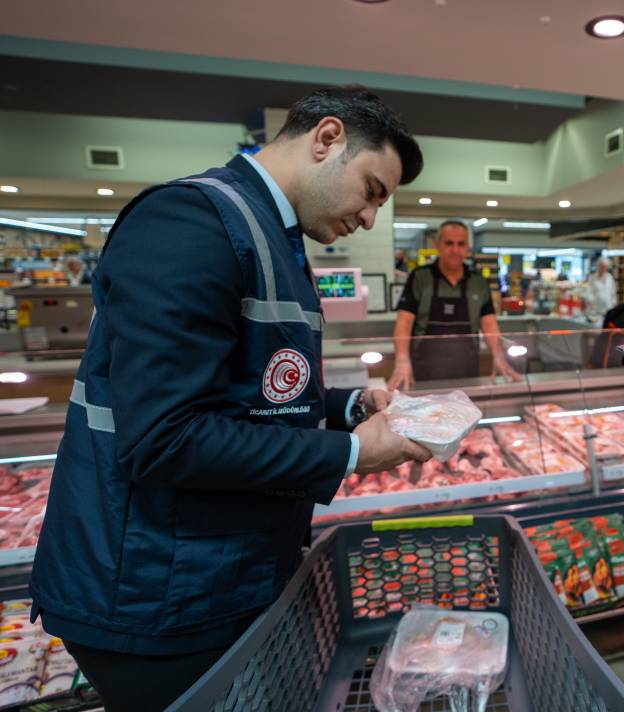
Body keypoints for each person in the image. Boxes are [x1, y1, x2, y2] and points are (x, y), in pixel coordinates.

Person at [29, 85, 433, 712]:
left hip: (211, 577)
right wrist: (352, 453)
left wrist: (350, 406)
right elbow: (166, 438)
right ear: (326, 139)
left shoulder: (273, 235)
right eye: (373, 190)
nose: (371, 216)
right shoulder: (191, 222)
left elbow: (252, 391)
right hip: (154, 595)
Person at [388, 220, 521, 388]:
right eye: (449, 243)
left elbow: (489, 324)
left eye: (461, 244)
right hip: (424, 369)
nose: (455, 250)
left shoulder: (478, 282)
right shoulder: (420, 277)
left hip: (467, 370)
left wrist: (499, 356)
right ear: (438, 245)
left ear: (468, 247)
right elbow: (404, 322)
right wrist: (401, 360)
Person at [583, 256, 617, 324]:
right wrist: (592, 302)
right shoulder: (592, 278)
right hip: (596, 312)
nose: (603, 268)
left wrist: (613, 304)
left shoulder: (609, 277)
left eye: (605, 267)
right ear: (598, 266)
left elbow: (613, 293)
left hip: (608, 310)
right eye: (601, 266)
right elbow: (588, 293)